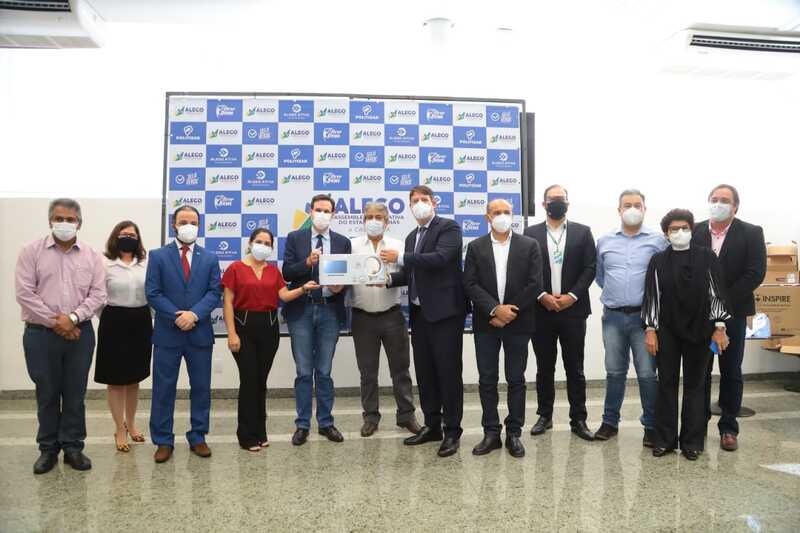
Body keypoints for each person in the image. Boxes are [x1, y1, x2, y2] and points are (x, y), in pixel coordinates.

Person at [15, 198, 106, 474]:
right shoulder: (30, 251)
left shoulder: (91, 255)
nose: (64, 223)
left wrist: (73, 319)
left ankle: (73, 447)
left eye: (70, 219)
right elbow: (25, 293)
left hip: (80, 334)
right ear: (50, 221)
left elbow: (98, 294)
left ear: (79, 223)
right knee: (47, 393)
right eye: (59, 218)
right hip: (40, 334)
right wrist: (58, 322)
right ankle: (48, 449)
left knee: (75, 393)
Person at [380, 185, 469, 458]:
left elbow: (440, 259)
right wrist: (387, 279)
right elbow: (412, 272)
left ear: (434, 203)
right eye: (414, 201)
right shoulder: (411, 236)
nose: (419, 204)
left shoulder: (449, 228)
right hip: (420, 314)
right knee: (425, 372)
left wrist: (400, 257)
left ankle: (452, 430)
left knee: (448, 373)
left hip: (446, 314)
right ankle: (432, 426)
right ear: (409, 207)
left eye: (423, 199)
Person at [642, 209, 731, 461]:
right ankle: (665, 440)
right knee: (666, 384)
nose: (679, 232)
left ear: (692, 230)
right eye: (674, 229)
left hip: (700, 330)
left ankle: (692, 442)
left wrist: (720, 327)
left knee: (696, 385)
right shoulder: (658, 260)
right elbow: (652, 296)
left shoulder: (707, 256)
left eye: (684, 228)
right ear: (666, 233)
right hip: (667, 331)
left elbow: (717, 292)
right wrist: (650, 330)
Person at [222, 227, 318, 451]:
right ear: (250, 243)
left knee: (261, 382)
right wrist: (231, 333)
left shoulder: (273, 271)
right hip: (243, 327)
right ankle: (245, 435)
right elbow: (227, 302)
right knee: (249, 380)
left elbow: (283, 295)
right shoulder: (235, 268)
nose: (263, 246)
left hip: (269, 328)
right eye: (259, 241)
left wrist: (303, 289)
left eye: (267, 243)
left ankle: (260, 432)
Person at [463, 198, 542, 458]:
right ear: (487, 217)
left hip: (519, 323)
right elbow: (470, 284)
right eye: (496, 212)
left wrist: (509, 312)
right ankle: (491, 432)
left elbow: (535, 283)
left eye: (506, 211)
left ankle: (514, 433)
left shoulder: (529, 245)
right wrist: (494, 310)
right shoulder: (475, 247)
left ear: (513, 215)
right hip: (486, 323)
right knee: (487, 379)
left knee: (516, 379)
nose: (502, 216)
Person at [692, 184, 766, 452]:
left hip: (734, 312)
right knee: (700, 370)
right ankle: (698, 424)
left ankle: (728, 428)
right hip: (700, 313)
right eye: (714, 199)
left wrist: (722, 301)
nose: (718, 204)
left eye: (724, 200)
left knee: (731, 370)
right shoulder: (695, 230)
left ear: (735, 206)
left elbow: (755, 273)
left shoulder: (751, 233)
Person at [145, 204, 221, 463]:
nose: (189, 226)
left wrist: (194, 315)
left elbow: (214, 292)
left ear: (199, 226)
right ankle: (163, 440)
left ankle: (198, 436)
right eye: (183, 221)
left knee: (201, 388)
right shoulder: (158, 256)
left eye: (193, 222)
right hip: (168, 333)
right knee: (163, 389)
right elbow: (153, 293)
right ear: (174, 225)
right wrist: (178, 315)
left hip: (199, 334)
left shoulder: (210, 258)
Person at [595, 189, 668, 447]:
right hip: (613, 317)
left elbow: (664, 278)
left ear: (645, 209)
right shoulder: (604, 241)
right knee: (614, 372)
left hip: (644, 320)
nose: (632, 209)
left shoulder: (658, 242)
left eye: (638, 205)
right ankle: (609, 422)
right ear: (619, 210)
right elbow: (601, 277)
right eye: (627, 205)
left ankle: (651, 425)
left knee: (647, 373)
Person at [524, 185, 596, 441]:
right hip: (541, 310)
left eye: (561, 199)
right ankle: (545, 416)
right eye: (552, 199)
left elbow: (590, 268)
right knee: (544, 367)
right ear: (544, 204)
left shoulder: (583, 232)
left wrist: (571, 296)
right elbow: (525, 270)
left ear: (568, 203)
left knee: (575, 368)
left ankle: (579, 419)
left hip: (573, 311)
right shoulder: (530, 233)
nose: (557, 203)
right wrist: (541, 295)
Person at [282, 194, 351, 446]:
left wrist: (340, 287)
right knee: (303, 372)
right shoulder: (295, 238)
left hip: (329, 310)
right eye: (318, 209)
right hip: (301, 309)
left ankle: (325, 423)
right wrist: (306, 262)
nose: (322, 214)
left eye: (327, 210)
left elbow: (348, 275)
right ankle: (302, 424)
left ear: (333, 214)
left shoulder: (342, 242)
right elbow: (287, 273)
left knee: (324, 371)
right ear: (311, 211)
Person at [349, 203, 421, 437]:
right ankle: (370, 417)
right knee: (367, 373)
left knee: (401, 370)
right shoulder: (352, 246)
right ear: (363, 220)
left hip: (392, 316)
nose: (374, 220)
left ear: (387, 221)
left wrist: (389, 279)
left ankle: (406, 415)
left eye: (378, 217)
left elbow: (409, 276)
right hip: (362, 318)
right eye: (369, 216)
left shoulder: (398, 245)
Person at [94, 220, 152, 452]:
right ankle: (119, 428)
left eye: (132, 235)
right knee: (116, 380)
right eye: (124, 234)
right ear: (115, 237)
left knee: (134, 379)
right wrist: (110, 316)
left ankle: (132, 423)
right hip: (114, 323)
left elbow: (153, 293)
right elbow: (97, 296)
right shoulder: (104, 263)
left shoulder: (145, 263)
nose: (128, 238)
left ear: (138, 239)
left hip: (141, 321)